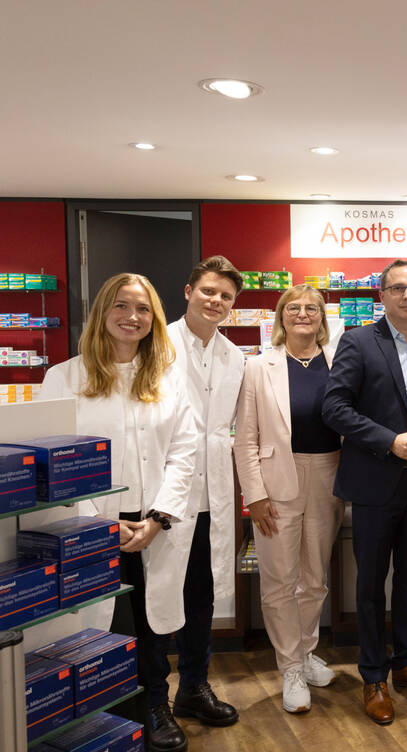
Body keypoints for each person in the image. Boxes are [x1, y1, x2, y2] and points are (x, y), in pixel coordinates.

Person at [40, 274, 196, 752]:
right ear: (102, 312)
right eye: (122, 306)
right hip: (91, 525)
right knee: (102, 626)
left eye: (144, 309)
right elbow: (54, 463)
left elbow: (184, 453)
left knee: (152, 625)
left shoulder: (168, 377)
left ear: (154, 318)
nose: (133, 317)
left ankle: (155, 706)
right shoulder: (64, 378)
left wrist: (158, 519)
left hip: (153, 525)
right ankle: (103, 715)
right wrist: (98, 523)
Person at [321, 260, 407, 725]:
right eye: (398, 288)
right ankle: (374, 676)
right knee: (370, 584)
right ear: (381, 295)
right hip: (376, 480)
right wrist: (387, 441)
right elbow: (334, 407)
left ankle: (405, 663)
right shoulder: (358, 341)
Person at [233, 285, 344, 714]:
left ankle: (307, 650)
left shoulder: (339, 362)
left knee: (314, 576)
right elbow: (245, 439)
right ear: (281, 317)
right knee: (280, 579)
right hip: (276, 479)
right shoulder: (259, 367)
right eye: (293, 308)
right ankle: (290, 668)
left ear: (322, 317)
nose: (303, 314)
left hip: (328, 474)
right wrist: (254, 495)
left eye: (311, 308)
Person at [163, 255, 244, 732]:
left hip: (212, 490)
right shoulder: (157, 344)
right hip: (163, 490)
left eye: (226, 297)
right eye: (209, 291)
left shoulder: (234, 356)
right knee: (157, 591)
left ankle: (193, 686)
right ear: (189, 290)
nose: (216, 301)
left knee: (201, 594)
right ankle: (153, 695)